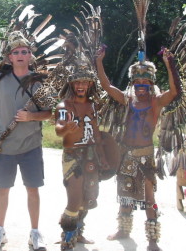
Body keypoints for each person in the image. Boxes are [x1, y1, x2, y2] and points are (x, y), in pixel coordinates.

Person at [96, 46, 178, 251]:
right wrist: (99, 61)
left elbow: (174, 91)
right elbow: (106, 85)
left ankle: (152, 240)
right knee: (125, 195)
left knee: (150, 199)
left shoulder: (156, 102)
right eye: (137, 82)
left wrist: (170, 66)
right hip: (125, 155)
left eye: (146, 82)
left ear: (151, 84)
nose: (141, 86)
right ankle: (124, 230)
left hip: (145, 157)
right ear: (132, 83)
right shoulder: (126, 100)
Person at [0, 31, 52, 251]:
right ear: (9, 58)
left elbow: (49, 113)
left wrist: (31, 116)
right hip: (4, 145)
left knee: (33, 189)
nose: (21, 55)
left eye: (25, 51)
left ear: (30, 55)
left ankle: (35, 232)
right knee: (2, 189)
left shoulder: (39, 81)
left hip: (31, 145)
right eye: (17, 52)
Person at [54, 63, 111, 251]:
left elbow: (95, 132)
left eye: (85, 83)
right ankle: (67, 239)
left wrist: (102, 156)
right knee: (74, 200)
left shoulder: (92, 106)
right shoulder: (64, 106)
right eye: (77, 82)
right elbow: (58, 129)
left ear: (90, 85)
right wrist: (66, 128)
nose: (81, 86)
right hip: (73, 157)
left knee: (88, 198)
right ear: (71, 85)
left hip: (91, 156)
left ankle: (77, 232)